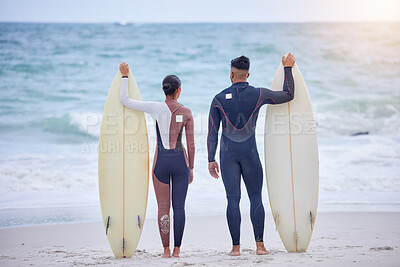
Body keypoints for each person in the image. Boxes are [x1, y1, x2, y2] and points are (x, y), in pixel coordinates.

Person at [207, 54, 296, 256]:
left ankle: (236, 248)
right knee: (255, 197)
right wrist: (287, 68)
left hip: (227, 155)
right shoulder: (258, 94)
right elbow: (288, 94)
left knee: (232, 199)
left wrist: (211, 159)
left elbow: (212, 132)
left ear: (231, 75)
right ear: (248, 74)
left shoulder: (218, 99)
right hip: (250, 153)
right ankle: (260, 246)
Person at [119, 63, 195, 258]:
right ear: (178, 90)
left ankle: (166, 250)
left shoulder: (154, 107)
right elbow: (191, 144)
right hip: (181, 164)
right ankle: (177, 250)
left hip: (160, 164)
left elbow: (125, 100)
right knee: (179, 207)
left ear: (164, 90)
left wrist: (125, 76)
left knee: (163, 207)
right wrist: (191, 168)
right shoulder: (186, 112)